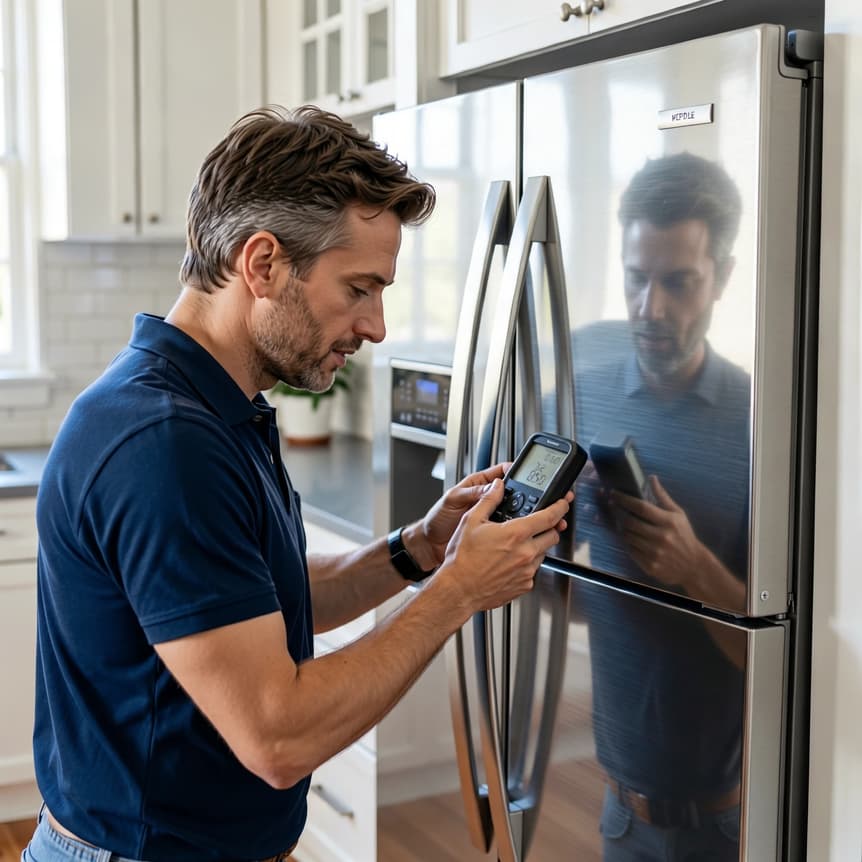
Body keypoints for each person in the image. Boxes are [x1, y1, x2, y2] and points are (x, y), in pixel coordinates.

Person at [23, 105, 573, 862]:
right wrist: (458, 594)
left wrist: (420, 549)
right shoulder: (167, 445)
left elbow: (259, 605)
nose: (376, 325)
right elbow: (277, 736)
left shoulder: (211, 406)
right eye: (359, 288)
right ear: (263, 265)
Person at [572, 152, 748, 861]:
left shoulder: (763, 422)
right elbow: (576, 599)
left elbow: (785, 663)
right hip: (615, 809)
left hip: (723, 825)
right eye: (637, 279)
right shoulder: (585, 394)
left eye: (679, 283)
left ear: (723, 279)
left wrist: (694, 568)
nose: (651, 309)